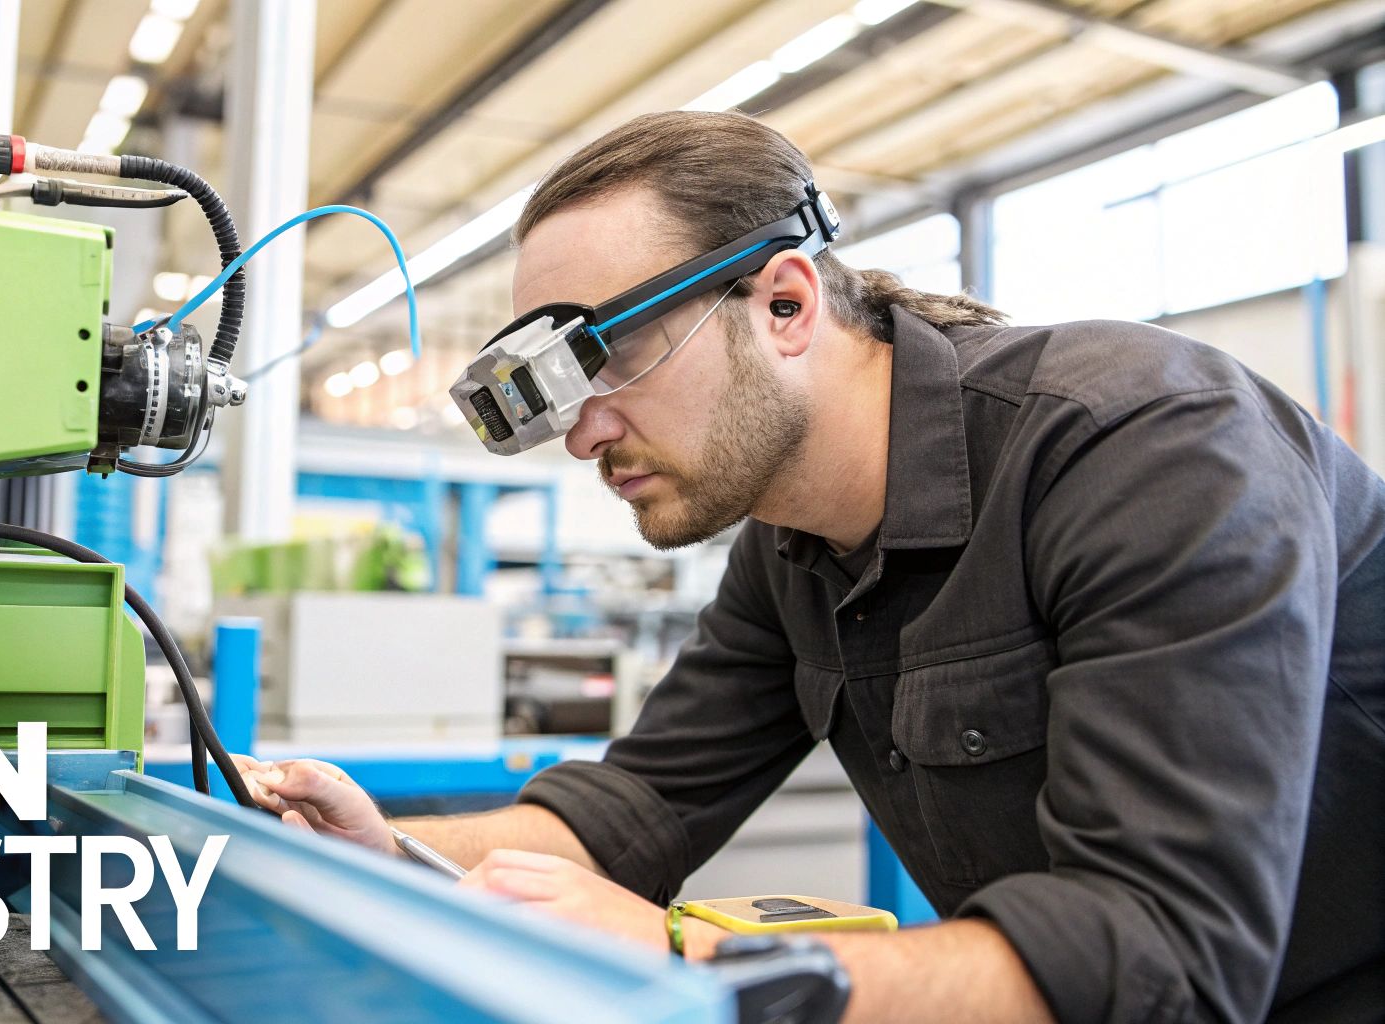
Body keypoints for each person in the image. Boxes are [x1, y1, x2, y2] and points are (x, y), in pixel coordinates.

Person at [233, 111, 1385, 1023]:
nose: (581, 435)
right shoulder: (790, 546)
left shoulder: (1142, 448)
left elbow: (1160, 957)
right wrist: (386, 851)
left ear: (783, 302)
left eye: (610, 358)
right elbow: (638, 808)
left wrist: (688, 956)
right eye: (557, 393)